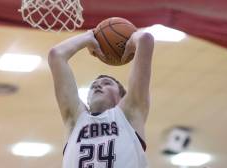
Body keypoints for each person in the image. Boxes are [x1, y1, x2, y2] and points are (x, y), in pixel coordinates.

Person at [48, 29, 154, 168]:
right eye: (94, 86)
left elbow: (145, 39)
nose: (98, 86)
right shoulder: (74, 120)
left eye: (106, 84)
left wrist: (132, 38)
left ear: (122, 97)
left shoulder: (130, 114)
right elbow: (56, 55)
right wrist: (88, 37)